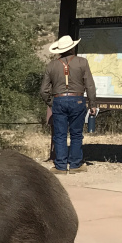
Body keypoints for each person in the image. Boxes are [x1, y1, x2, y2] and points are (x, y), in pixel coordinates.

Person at [40, 35, 97, 174]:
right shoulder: (82, 62)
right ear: (72, 47)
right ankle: (75, 164)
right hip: (77, 100)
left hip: (59, 100)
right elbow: (89, 85)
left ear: (59, 50)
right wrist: (92, 104)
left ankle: (60, 166)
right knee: (76, 134)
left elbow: (43, 90)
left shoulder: (52, 65)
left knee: (59, 135)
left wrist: (51, 102)